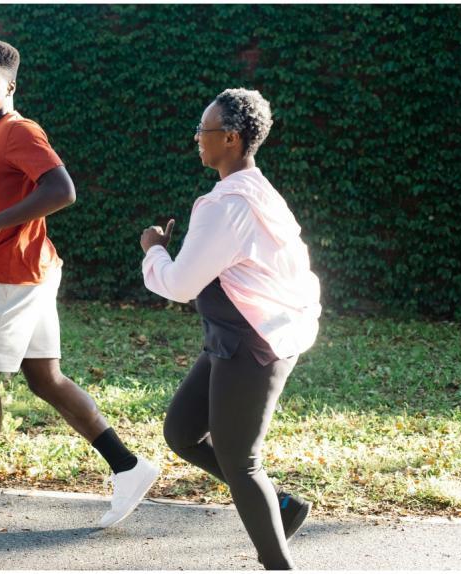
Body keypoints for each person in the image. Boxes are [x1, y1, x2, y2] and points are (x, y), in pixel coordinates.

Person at [0, 39, 158, 527]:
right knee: (45, 378)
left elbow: (62, 190)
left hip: (11, 276)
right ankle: (128, 467)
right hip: (32, 270)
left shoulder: (19, 131)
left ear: (11, 86)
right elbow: (0, 202)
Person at [139, 88, 321, 570]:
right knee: (181, 431)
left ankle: (278, 564)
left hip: (253, 344)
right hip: (239, 336)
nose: (198, 137)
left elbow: (178, 284)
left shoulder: (226, 205)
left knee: (241, 462)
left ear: (233, 139)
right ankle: (281, 505)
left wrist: (153, 248)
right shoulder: (257, 190)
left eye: (206, 130)